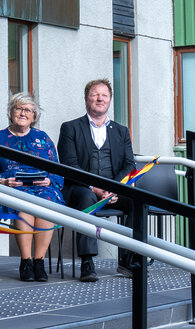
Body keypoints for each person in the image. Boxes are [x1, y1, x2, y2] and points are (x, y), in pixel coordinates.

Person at [0, 92, 65, 282]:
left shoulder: (43, 138)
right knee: (24, 203)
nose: (23, 113)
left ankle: (39, 262)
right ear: (11, 112)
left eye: (28, 110)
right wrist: (3, 181)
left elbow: (58, 171)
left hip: (41, 188)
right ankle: (26, 261)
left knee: (46, 202)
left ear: (34, 116)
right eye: (19, 108)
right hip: (12, 188)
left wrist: (49, 180)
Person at [58, 79, 136, 282]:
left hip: (113, 189)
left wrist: (113, 189)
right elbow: (69, 164)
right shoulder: (70, 128)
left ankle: (128, 260)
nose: (100, 98)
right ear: (86, 99)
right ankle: (87, 262)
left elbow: (129, 164)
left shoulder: (121, 131)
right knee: (86, 198)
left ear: (110, 100)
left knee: (138, 201)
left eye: (104, 95)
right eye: (95, 94)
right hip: (81, 188)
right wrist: (95, 188)